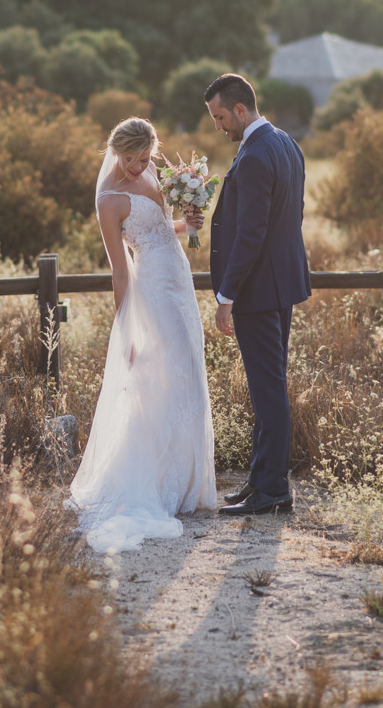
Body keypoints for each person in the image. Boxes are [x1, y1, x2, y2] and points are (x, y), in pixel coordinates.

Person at [68, 117, 217, 552]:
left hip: (179, 280)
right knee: (157, 378)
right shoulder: (109, 199)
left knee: (187, 370)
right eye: (129, 159)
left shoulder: (154, 170)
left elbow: (161, 230)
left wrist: (189, 224)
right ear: (116, 152)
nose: (137, 167)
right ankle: (153, 483)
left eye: (144, 158)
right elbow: (120, 270)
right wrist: (128, 326)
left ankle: (189, 486)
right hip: (150, 291)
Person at [203, 74, 311, 516]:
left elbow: (250, 234)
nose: (218, 126)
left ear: (241, 110)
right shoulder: (286, 143)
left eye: (221, 116)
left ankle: (272, 492)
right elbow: (295, 214)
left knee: (268, 390)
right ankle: (260, 478)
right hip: (281, 283)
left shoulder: (251, 157)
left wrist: (226, 294)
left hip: (257, 291)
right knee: (269, 385)